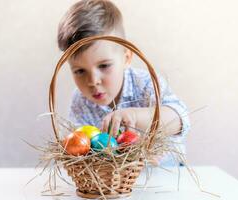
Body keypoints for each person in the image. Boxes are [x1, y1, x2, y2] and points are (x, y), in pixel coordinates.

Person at [57, 0, 190, 165]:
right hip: (115, 183)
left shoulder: (144, 84)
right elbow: (80, 144)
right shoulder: (80, 100)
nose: (93, 81)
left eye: (104, 66)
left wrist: (135, 116)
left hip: (166, 175)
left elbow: (181, 119)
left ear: (126, 58)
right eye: (80, 71)